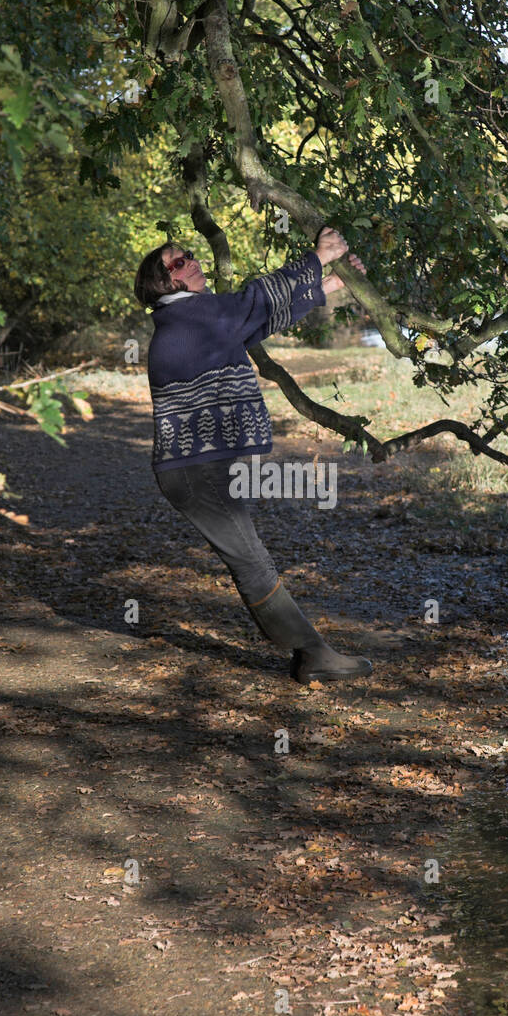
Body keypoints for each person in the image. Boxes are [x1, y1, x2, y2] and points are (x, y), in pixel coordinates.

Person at [137, 226, 373, 685]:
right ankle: (312, 654)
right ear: (165, 282)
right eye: (180, 261)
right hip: (194, 473)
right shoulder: (191, 318)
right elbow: (253, 301)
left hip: (198, 470)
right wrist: (318, 258)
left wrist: (328, 286)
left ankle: (310, 653)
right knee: (251, 561)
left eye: (189, 254)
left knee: (250, 558)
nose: (193, 260)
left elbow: (256, 322)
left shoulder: (192, 319)